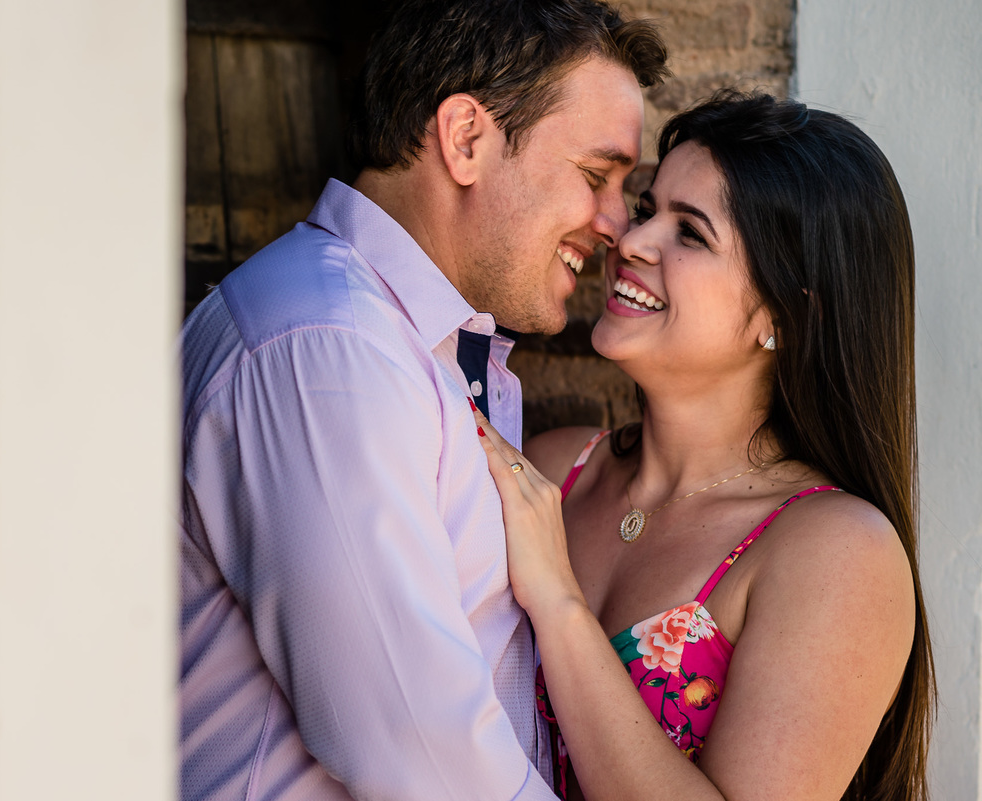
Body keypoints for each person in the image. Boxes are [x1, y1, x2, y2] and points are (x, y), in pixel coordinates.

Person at [179, 1, 669, 799]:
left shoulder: (422, 346)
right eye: (594, 176)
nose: (617, 224)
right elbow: (421, 750)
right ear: (466, 138)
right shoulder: (324, 346)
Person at [475, 90, 935, 800]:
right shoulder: (553, 466)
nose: (629, 241)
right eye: (648, 209)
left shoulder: (838, 552)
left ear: (783, 315)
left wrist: (558, 601)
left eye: (690, 233)